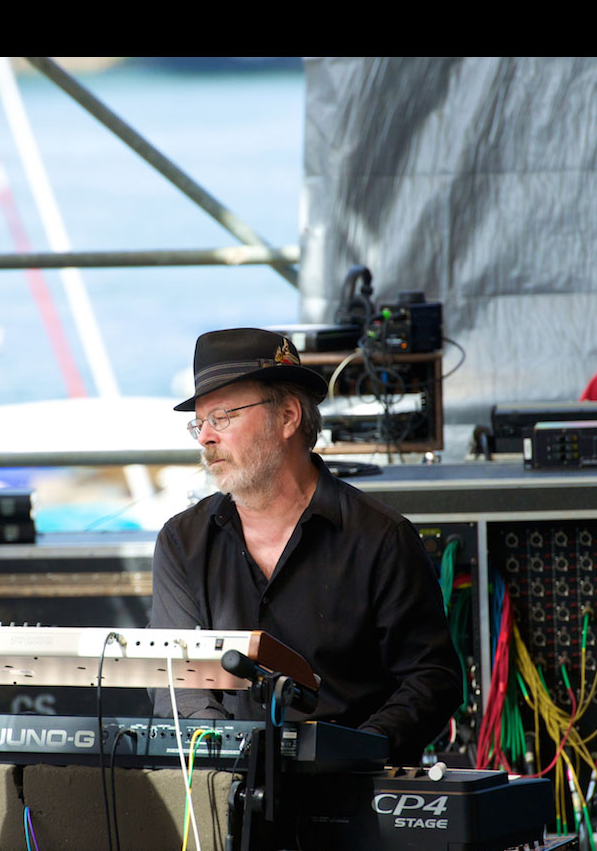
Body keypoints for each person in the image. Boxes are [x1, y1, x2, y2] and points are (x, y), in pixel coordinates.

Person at [149, 327, 462, 765]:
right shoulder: (182, 542)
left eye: (221, 417)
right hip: (227, 792)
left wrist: (351, 755)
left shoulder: (381, 537)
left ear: (288, 417)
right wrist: (225, 757)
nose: (205, 437)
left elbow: (432, 680)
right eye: (198, 423)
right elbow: (174, 678)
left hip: (353, 796)